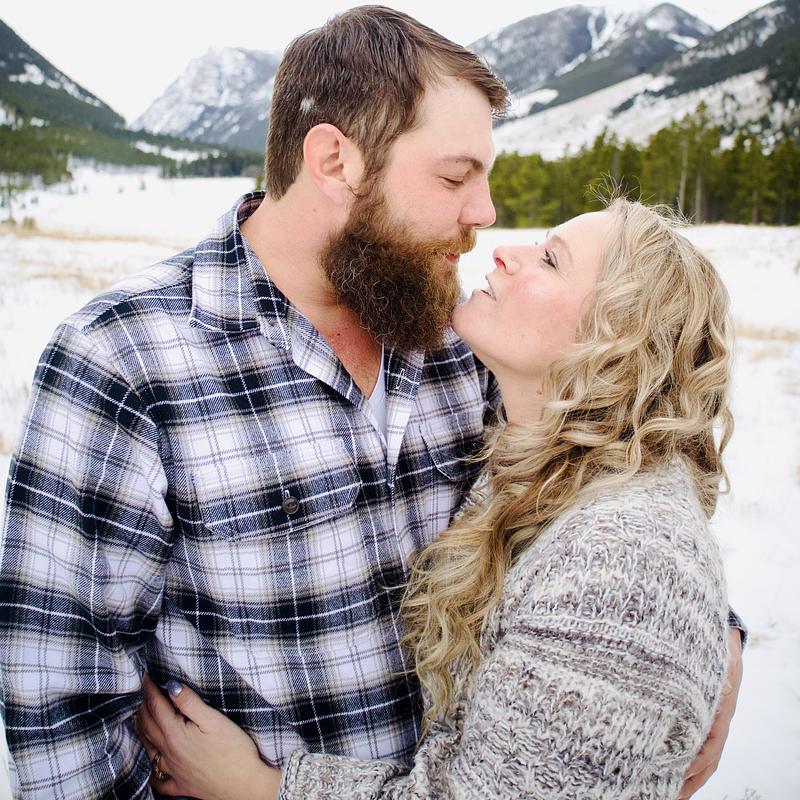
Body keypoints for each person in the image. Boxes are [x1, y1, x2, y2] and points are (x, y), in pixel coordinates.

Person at [0, 6, 741, 798]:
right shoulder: (125, 359)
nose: (485, 213)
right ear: (335, 161)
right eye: (454, 177)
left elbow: (600, 475)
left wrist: (702, 636)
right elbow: (60, 706)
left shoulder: (463, 341)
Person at [134, 198, 735, 799]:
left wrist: (260, 789)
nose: (503, 247)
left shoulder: (630, 556)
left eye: (550, 261)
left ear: (617, 339)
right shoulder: (533, 456)